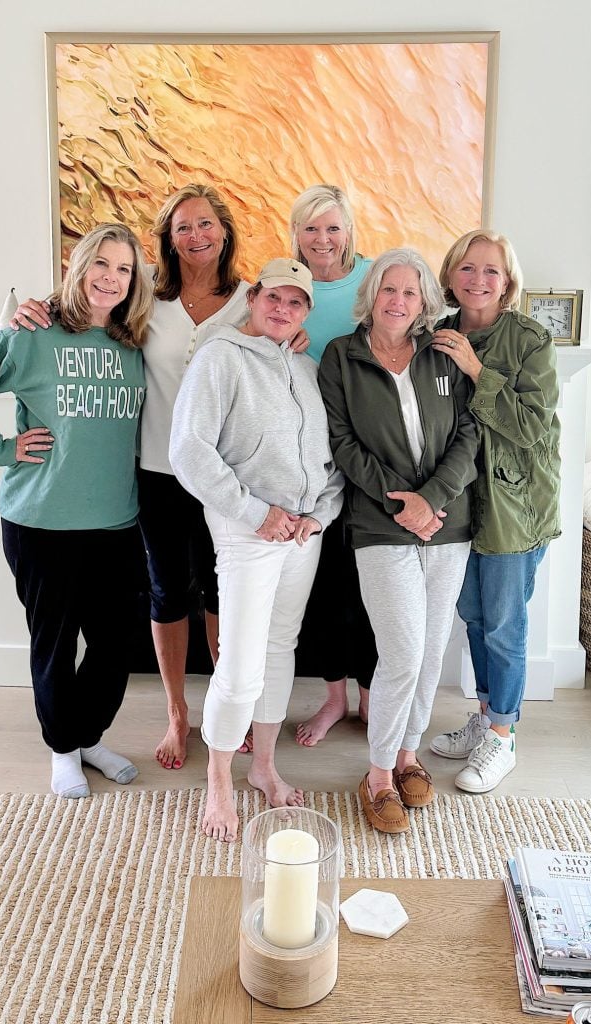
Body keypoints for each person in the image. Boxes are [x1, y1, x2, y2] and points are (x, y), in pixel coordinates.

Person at [9, 185, 306, 769]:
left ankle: (230, 704)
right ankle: (178, 713)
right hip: (158, 471)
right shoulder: (147, 299)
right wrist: (35, 308)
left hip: (231, 478)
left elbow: (283, 337)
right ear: (168, 240)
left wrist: (293, 337)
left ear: (224, 230)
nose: (195, 236)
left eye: (205, 224)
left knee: (226, 593)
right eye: (181, 228)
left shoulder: (250, 300)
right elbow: (89, 301)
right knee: (169, 592)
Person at [0, 223, 153, 798]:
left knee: (116, 642)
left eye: (124, 269)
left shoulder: (134, 342)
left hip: (116, 521)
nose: (111, 277)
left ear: (134, 281)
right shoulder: (33, 333)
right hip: (42, 522)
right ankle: (62, 750)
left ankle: (87, 735)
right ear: (80, 266)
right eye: (101, 263)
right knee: (52, 643)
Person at [169, 258, 342, 842]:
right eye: (274, 297)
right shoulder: (220, 356)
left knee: (278, 648)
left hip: (301, 535)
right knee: (240, 662)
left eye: (296, 303)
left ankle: (264, 767)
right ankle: (219, 782)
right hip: (249, 532)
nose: (282, 309)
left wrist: (318, 516)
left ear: (306, 312)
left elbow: (328, 463)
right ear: (254, 297)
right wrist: (256, 514)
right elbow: (190, 451)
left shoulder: (309, 370)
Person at [318, 248, 479, 834]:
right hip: (380, 523)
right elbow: (341, 442)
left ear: (423, 302)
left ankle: (409, 756)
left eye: (411, 293)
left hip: (446, 522)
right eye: (390, 290)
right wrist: (403, 503)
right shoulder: (342, 355)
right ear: (372, 294)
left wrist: (431, 499)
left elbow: (467, 431)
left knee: (432, 650)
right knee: (403, 651)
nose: (399, 301)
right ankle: (379, 774)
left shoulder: (440, 353)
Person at [429, 228, 561, 794]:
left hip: (515, 507)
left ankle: (504, 738)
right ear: (451, 275)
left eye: (491, 270)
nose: (478, 279)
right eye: (467, 267)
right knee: (475, 617)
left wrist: (478, 372)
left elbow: (531, 428)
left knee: (505, 625)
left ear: (507, 283)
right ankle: (486, 717)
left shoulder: (530, 340)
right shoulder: (436, 335)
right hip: (459, 505)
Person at [288, 184, 378, 746]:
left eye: (333, 227)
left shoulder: (374, 280)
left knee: (372, 582)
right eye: (311, 228)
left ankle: (372, 698)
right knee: (322, 587)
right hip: (309, 459)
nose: (323, 239)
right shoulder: (285, 287)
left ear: (350, 231)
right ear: (295, 233)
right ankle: (333, 699)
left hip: (371, 453)